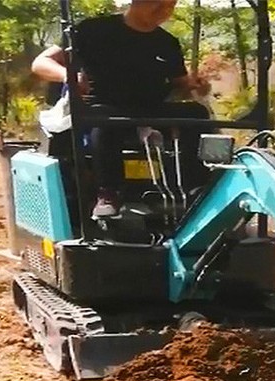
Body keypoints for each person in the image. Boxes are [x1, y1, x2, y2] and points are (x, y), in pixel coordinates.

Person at [32, 0, 211, 218]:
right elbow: (41, 63)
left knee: (197, 115)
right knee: (108, 121)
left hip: (150, 108)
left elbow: (180, 81)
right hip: (102, 106)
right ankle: (108, 192)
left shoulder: (167, 42)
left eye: (170, 6)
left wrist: (196, 85)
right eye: (158, 3)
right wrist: (68, 76)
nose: (163, 11)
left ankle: (197, 186)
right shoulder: (92, 30)